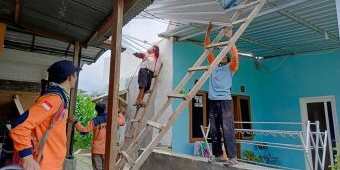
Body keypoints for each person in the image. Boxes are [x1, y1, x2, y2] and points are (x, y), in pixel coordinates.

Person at [9, 60, 81, 170]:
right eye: (76, 75)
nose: (76, 78)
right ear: (71, 77)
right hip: (44, 164)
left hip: (52, 163)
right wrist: (27, 158)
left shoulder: (60, 98)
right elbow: (19, 126)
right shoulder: (53, 99)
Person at [204, 23, 239, 166]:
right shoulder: (213, 65)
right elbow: (207, 49)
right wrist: (208, 32)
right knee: (214, 129)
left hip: (224, 101)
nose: (222, 56)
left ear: (227, 57)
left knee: (227, 129)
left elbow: (235, 57)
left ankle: (232, 157)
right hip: (213, 100)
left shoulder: (230, 67)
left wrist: (230, 40)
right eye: (221, 54)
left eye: (225, 55)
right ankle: (218, 154)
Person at [69, 101, 125, 170]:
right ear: (105, 109)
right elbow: (122, 122)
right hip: (108, 150)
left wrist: (76, 122)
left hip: (97, 150)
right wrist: (118, 112)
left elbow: (84, 131)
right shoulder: (112, 119)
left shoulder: (95, 120)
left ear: (96, 110)